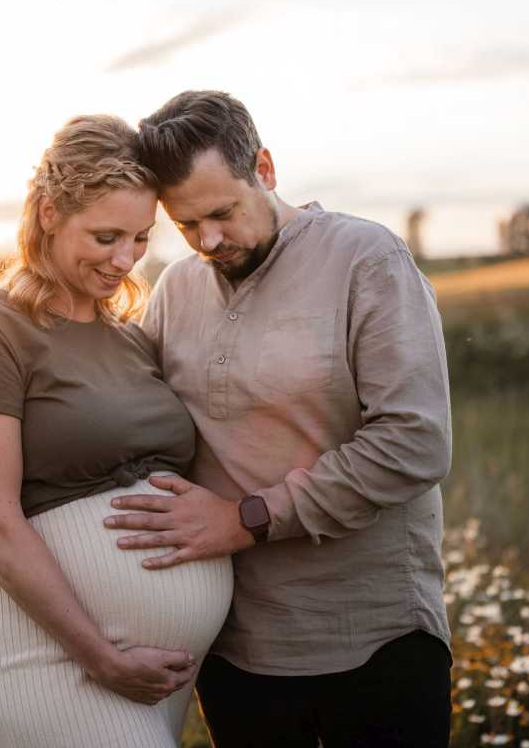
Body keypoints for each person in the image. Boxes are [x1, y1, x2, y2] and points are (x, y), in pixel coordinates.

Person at [104, 90, 454, 747]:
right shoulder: (177, 290)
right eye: (186, 226)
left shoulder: (366, 260)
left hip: (374, 640)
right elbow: (140, 424)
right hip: (234, 651)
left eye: (222, 213)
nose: (208, 240)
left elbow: (416, 442)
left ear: (264, 168)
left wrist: (246, 519)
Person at [0, 114, 233, 747]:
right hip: (62, 662)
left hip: (154, 671)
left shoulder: (129, 338)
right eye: (105, 236)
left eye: (141, 237)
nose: (125, 259)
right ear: (46, 214)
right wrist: (101, 656)